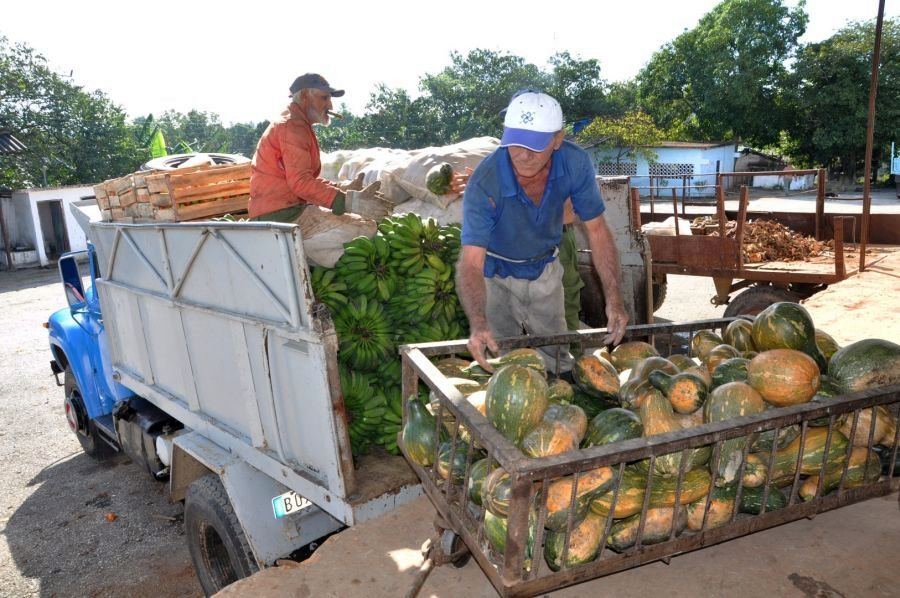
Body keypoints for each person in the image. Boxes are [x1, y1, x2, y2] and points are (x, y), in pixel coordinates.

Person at [456, 91, 628, 372]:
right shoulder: (486, 181)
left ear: (557, 140)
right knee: (502, 361)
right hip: (495, 274)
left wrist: (614, 299)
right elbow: (471, 261)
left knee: (556, 357)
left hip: (545, 267)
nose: (523, 156)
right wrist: (477, 322)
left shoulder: (575, 163)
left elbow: (598, 231)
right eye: (515, 144)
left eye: (534, 146)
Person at [248, 73, 350, 223]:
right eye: (324, 98)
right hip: (281, 214)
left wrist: (340, 189)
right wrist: (346, 201)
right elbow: (300, 182)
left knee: (355, 223)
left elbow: (303, 176)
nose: (330, 106)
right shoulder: (292, 126)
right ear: (304, 95)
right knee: (364, 228)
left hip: (287, 208)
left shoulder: (297, 123)